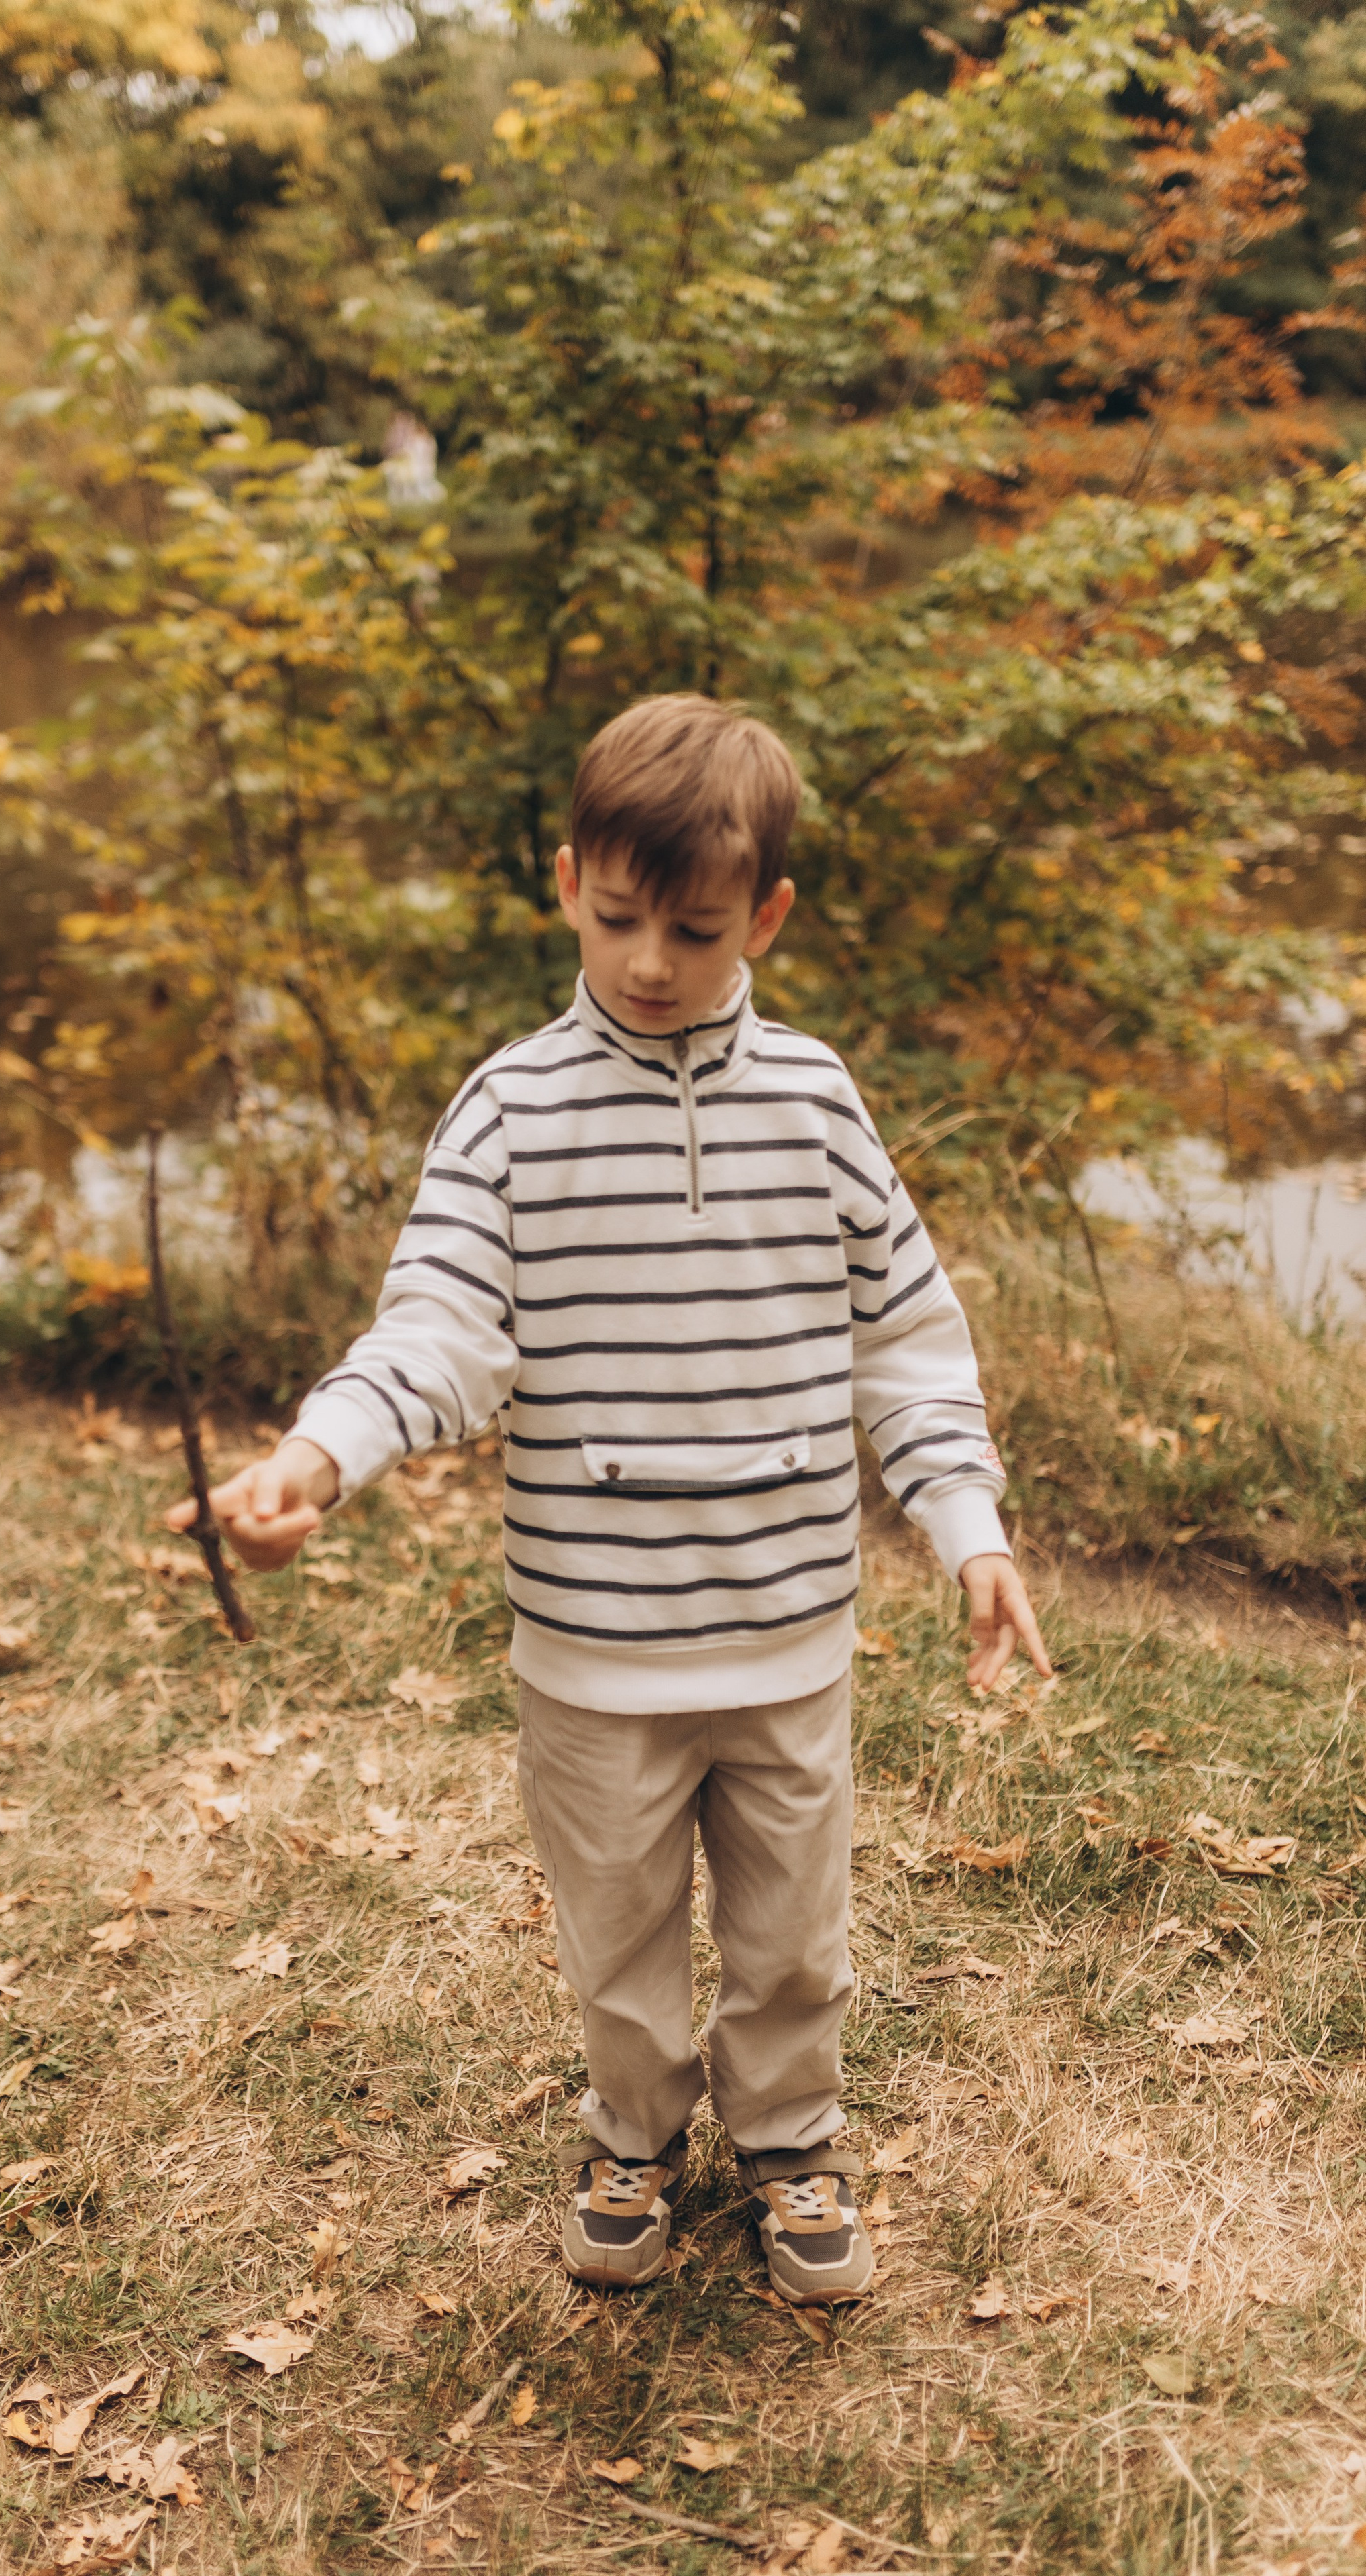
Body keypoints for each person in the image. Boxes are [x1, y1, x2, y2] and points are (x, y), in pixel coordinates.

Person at [170, 694, 1051, 2304]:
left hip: (784, 1641)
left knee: (791, 1936)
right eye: (618, 917)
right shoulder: (512, 1114)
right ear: (566, 882)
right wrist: (316, 1456)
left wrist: (968, 1528)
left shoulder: (815, 1105)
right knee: (623, 1939)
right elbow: (434, 1332)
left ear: (764, 916)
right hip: (591, 1654)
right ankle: (632, 2130)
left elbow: (908, 1347)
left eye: (694, 930)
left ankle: (789, 2143)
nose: (649, 962)